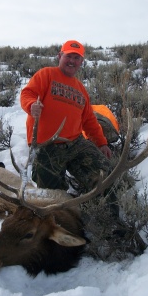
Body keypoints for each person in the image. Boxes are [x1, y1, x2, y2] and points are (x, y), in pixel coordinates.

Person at [20, 40, 112, 194]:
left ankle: (106, 214)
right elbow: (27, 94)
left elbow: (89, 120)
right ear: (60, 56)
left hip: (75, 143)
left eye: (77, 58)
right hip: (47, 145)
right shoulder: (46, 74)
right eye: (69, 56)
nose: (72, 61)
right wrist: (31, 105)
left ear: (81, 62)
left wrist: (101, 143)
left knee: (105, 176)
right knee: (51, 193)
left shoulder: (81, 89)